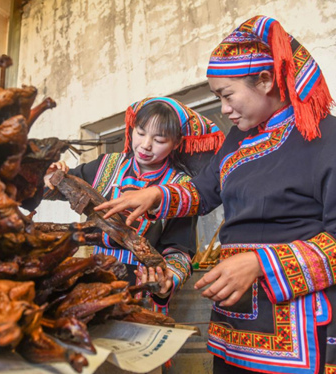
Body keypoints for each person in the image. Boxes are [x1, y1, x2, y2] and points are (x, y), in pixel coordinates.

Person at [95, 15, 336, 374]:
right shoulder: (237, 140)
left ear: (264, 80)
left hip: (301, 332)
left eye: (227, 96)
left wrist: (261, 264)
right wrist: (155, 196)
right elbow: (203, 192)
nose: (225, 110)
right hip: (232, 325)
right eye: (217, 97)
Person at [44, 97, 224, 314]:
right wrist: (51, 174)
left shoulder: (180, 188)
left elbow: (180, 249)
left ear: (176, 143)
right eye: (140, 133)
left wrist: (167, 280)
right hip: (96, 277)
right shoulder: (107, 165)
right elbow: (62, 186)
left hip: (141, 288)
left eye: (159, 140)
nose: (146, 145)